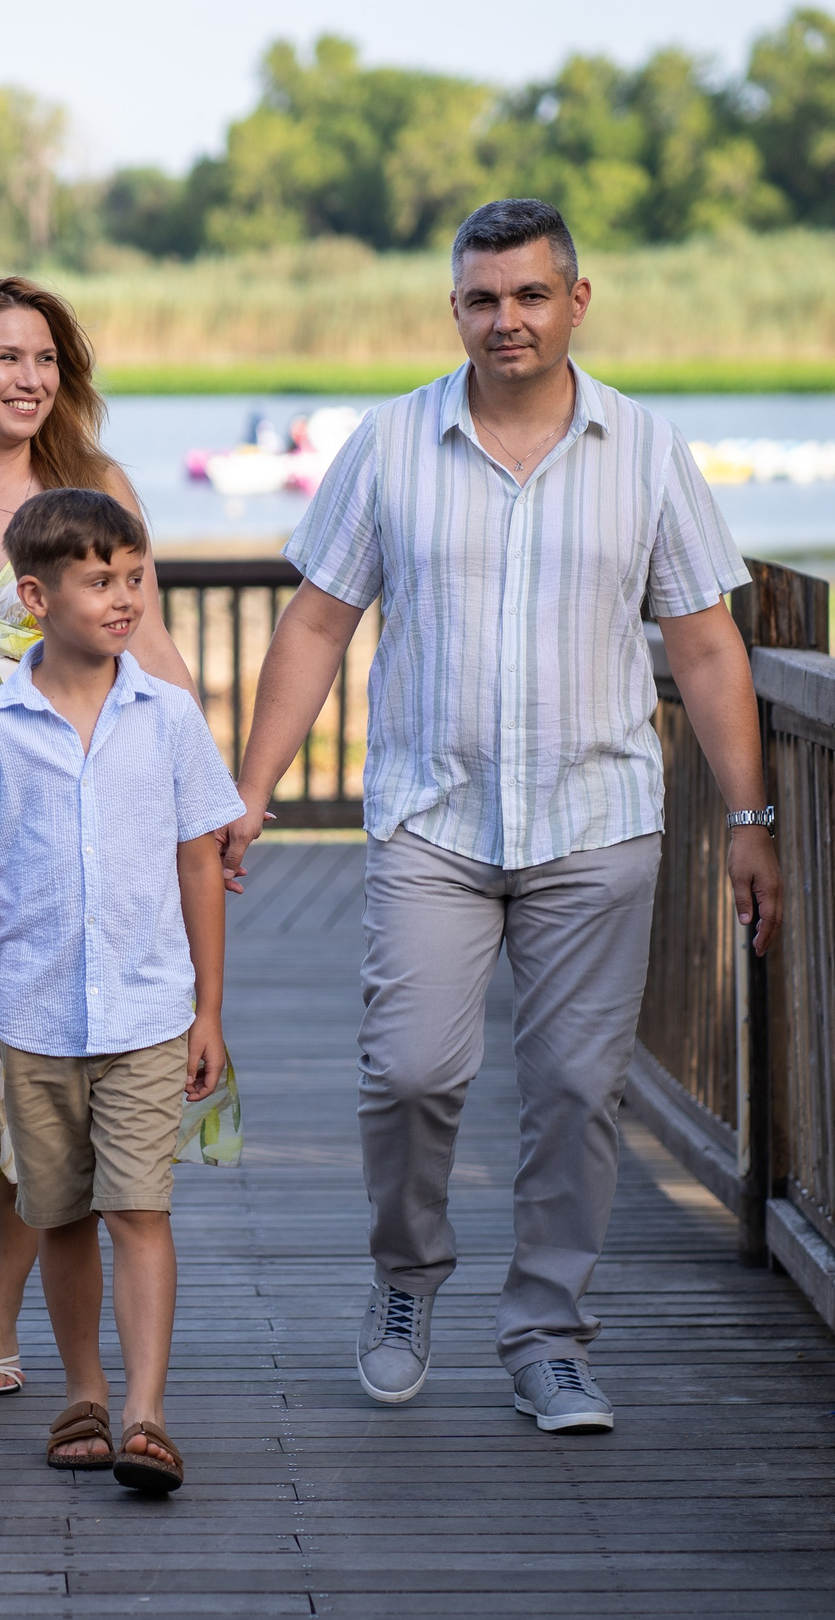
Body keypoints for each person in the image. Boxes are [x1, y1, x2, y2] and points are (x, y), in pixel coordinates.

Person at [218, 200, 782, 1433]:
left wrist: (751, 815)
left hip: (598, 817)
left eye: (529, 295)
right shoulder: (388, 444)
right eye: (481, 298)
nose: (505, 319)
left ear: (576, 301)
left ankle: (547, 1338)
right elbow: (317, 622)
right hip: (432, 814)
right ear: (454, 308)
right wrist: (249, 792)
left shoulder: (645, 450)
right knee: (410, 1071)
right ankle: (406, 1282)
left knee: (577, 1091)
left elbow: (703, 642)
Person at [0, 275, 239, 1399]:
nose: (31, 379)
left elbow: (154, 644)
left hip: (81, 815)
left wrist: (212, 802)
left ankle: (6, 1312)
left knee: (51, 1062)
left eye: (46, 361)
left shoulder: (98, 487)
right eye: (6, 359)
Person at [0, 488, 241, 1492]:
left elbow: (198, 862)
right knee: (59, 1214)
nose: (123, 598)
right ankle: (85, 1395)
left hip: (147, 1012)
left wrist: (208, 1011)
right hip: (33, 1017)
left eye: (133, 577)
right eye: (98, 581)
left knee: (140, 1208)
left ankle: (146, 1414)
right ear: (35, 594)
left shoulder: (169, 717)